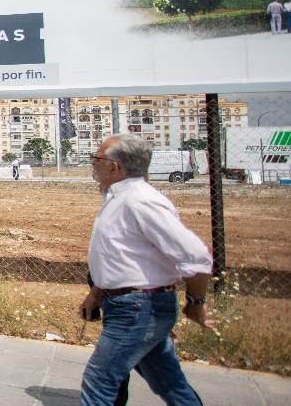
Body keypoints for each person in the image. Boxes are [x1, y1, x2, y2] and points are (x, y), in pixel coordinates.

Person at [80, 134, 211, 406]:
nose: (92, 163)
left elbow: (195, 258)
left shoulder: (140, 201)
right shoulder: (119, 197)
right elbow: (125, 258)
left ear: (115, 167)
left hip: (138, 309)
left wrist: (196, 303)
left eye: (97, 158)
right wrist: (97, 293)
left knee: (99, 381)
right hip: (133, 305)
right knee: (169, 383)